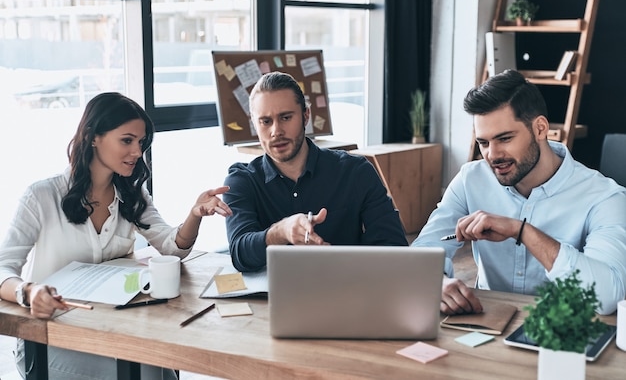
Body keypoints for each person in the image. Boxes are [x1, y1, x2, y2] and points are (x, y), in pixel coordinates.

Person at [0, 92, 232, 380]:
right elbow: (3, 268)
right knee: (149, 373)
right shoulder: (42, 195)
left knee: (161, 367)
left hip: (109, 331)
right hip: (50, 338)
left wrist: (195, 214)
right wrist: (29, 292)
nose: (137, 151)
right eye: (127, 140)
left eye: (141, 142)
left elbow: (172, 249)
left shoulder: (132, 195)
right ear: (93, 136)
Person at [412, 69, 626, 316]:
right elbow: (424, 251)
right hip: (486, 324)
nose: (492, 155)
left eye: (504, 138)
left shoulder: (604, 197)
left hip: (565, 332)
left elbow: (607, 296)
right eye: (484, 143)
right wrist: (436, 282)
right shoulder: (471, 179)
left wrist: (522, 231)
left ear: (540, 128)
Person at [223, 71, 407, 272]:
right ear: (254, 124)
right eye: (265, 121)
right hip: (270, 299)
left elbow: (393, 245)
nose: (276, 131)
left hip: (347, 290)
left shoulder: (355, 172)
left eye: (285, 117)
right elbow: (240, 253)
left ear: (306, 115)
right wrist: (282, 231)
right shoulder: (241, 181)